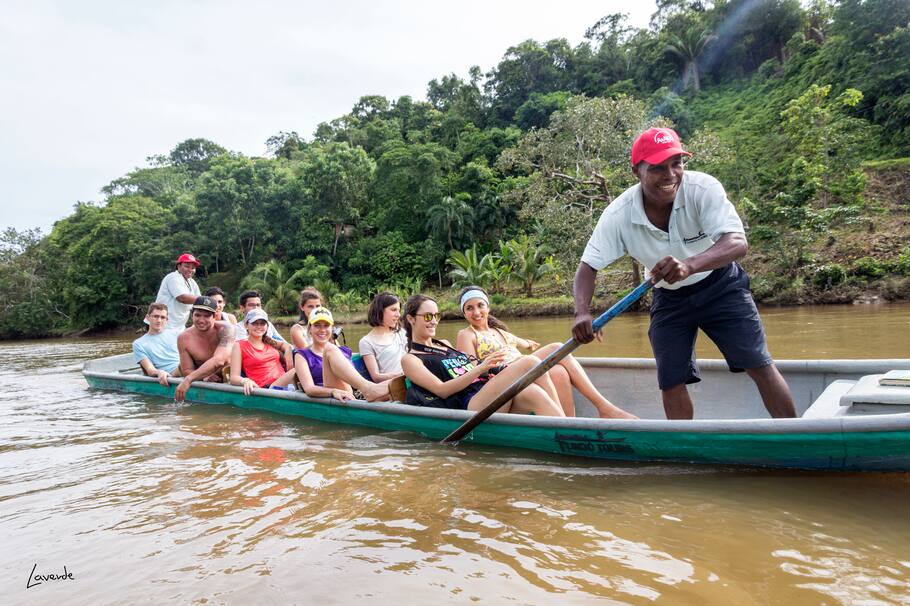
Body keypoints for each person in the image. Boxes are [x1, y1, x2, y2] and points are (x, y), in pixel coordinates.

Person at [572, 127, 797, 420]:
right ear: (636, 172)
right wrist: (582, 312)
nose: (670, 175)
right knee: (671, 380)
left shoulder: (703, 189)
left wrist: (689, 265)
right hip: (669, 298)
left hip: (721, 286)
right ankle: (684, 443)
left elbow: (737, 243)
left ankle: (795, 433)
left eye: (676, 163)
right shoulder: (619, 215)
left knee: (758, 363)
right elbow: (588, 266)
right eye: (657, 168)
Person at [456, 286, 635, 419]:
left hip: (522, 366)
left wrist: (530, 344)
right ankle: (564, 421)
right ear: (464, 313)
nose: (476, 312)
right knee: (536, 359)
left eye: (480, 305)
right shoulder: (466, 334)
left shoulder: (500, 331)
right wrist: (495, 364)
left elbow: (522, 343)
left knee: (558, 367)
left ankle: (587, 414)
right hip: (502, 376)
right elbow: (472, 371)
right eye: (469, 308)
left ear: (488, 307)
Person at [401, 294, 564, 416]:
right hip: (470, 404)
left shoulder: (444, 343)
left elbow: (466, 369)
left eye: (436, 316)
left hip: (486, 389)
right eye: (428, 316)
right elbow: (442, 390)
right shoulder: (411, 359)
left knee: (533, 392)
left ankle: (566, 430)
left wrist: (490, 368)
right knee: (531, 362)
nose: (434, 321)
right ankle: (568, 426)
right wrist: (480, 368)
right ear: (411, 319)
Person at [294, 307, 391, 402]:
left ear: (332, 328)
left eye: (326, 325)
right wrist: (333, 391)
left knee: (394, 387)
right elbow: (309, 389)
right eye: (317, 325)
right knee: (329, 348)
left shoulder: (341, 351)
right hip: (331, 397)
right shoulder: (302, 355)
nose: (322, 330)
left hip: (354, 395)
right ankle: (368, 389)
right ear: (310, 329)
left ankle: (370, 390)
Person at [174, 296, 236, 402]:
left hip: (225, 372)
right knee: (175, 372)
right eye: (197, 315)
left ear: (215, 316)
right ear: (192, 315)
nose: (201, 320)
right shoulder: (183, 338)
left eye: (206, 316)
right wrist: (203, 377)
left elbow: (220, 360)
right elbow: (187, 369)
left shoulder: (226, 329)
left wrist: (188, 380)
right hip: (199, 374)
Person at [229, 308, 296, 395]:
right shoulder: (239, 345)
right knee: (300, 366)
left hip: (284, 384)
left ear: (267, 326)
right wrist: (245, 381)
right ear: (246, 325)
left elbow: (285, 345)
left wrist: (288, 352)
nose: (259, 326)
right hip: (268, 388)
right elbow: (233, 378)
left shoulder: (268, 341)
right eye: (255, 323)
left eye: (262, 323)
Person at [358, 292, 408, 382]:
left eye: (399, 310)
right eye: (394, 310)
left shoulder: (401, 332)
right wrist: (402, 375)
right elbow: (376, 377)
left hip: (412, 379)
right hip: (395, 385)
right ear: (380, 311)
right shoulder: (366, 342)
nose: (398, 315)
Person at [132, 302, 181, 386]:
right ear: (148, 318)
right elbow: (150, 370)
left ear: (167, 320)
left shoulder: (176, 334)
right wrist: (159, 372)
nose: (159, 320)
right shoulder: (139, 344)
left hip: (185, 366)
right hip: (171, 373)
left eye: (162, 317)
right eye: (155, 316)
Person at [155, 253, 202, 330]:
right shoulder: (173, 277)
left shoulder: (192, 282)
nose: (190, 270)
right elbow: (182, 298)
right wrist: (207, 300)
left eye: (193, 268)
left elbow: (199, 301)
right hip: (163, 324)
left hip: (179, 326)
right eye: (187, 266)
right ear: (179, 267)